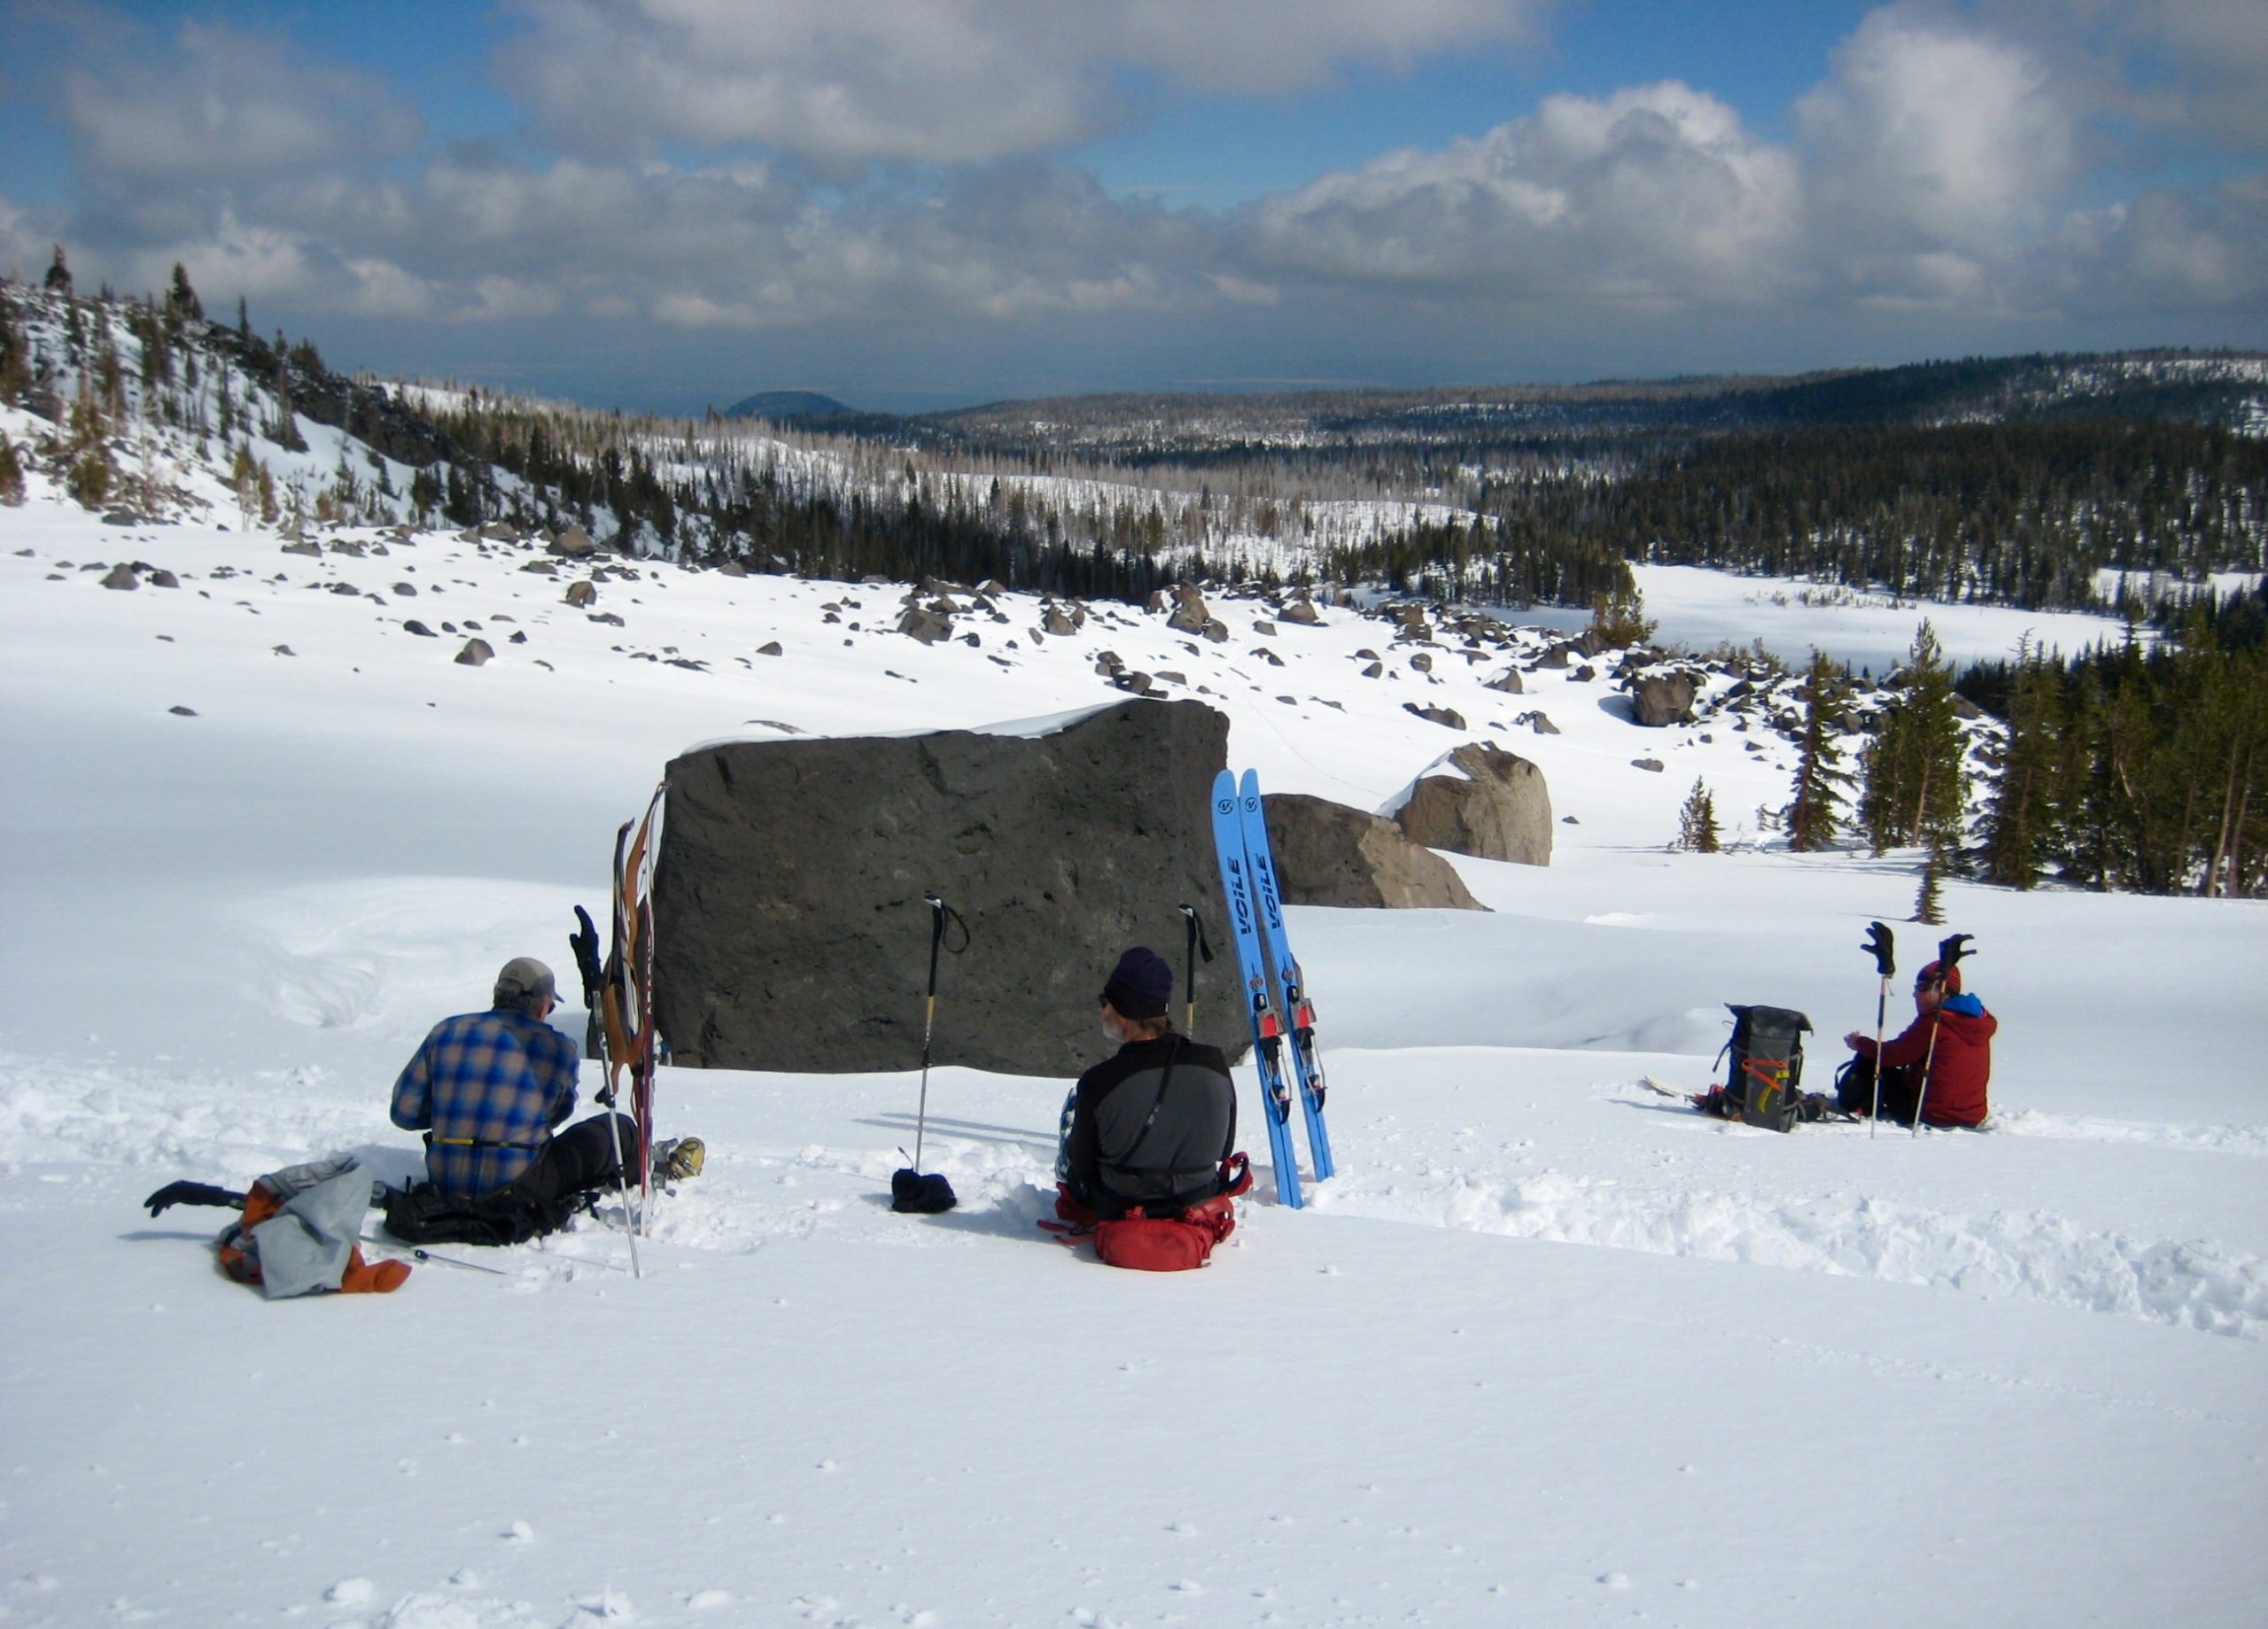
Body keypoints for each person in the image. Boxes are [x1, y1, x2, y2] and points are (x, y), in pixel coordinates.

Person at [390, 957, 639, 1206]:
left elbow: (404, 1113)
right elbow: (556, 1114)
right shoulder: (559, 1047)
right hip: (519, 1185)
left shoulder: (446, 1031)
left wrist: (453, 1116)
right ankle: (634, 1185)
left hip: (444, 1181)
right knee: (620, 1128)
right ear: (543, 1005)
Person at [1057, 946, 1238, 1219]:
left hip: (1122, 1206)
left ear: (1124, 1009)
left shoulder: (1100, 1081)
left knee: (1074, 1132)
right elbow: (1225, 1148)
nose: (1101, 1010)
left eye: (1105, 1000)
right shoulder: (1213, 1063)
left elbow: (1083, 1168)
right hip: (1197, 1200)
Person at [1837, 958, 1998, 1127]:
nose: (1915, 994)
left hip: (1932, 1115)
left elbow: (1892, 1056)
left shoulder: (1936, 1022)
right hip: (1971, 1116)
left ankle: (1851, 1106)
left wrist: (1859, 1043)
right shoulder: (1977, 1020)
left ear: (1941, 990)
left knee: (1870, 1058)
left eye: (1921, 987)